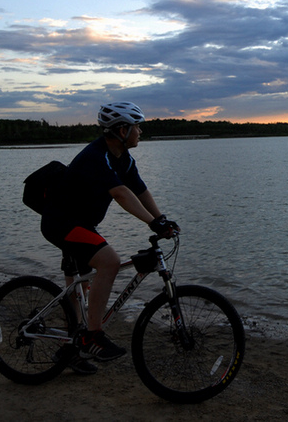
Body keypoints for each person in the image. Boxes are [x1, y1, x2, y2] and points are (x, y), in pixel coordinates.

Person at [40, 101, 179, 375]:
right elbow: (121, 194)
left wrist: (161, 219)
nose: (140, 131)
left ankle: (71, 347)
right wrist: (152, 223)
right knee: (110, 262)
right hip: (61, 223)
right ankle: (93, 336)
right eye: (137, 126)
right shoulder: (97, 155)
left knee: (79, 291)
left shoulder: (123, 158)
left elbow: (139, 190)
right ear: (122, 129)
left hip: (81, 224)